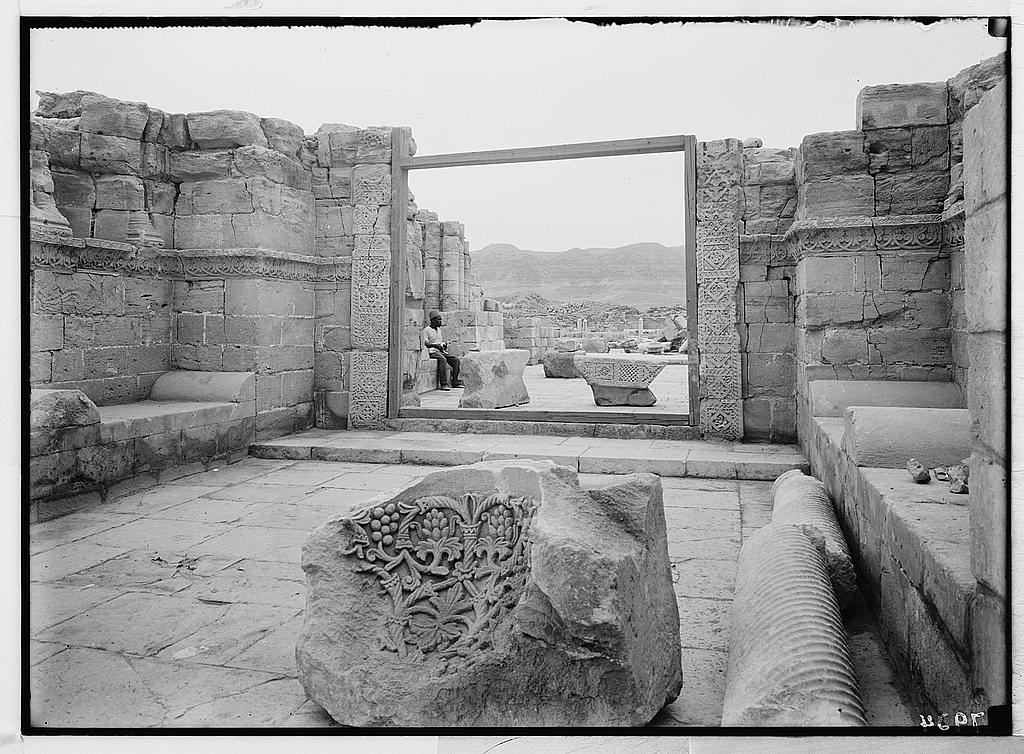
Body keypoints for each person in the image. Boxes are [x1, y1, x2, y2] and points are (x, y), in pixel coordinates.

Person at [422, 310, 463, 391]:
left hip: (441, 351)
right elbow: (426, 344)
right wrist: (436, 346)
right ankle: (443, 383)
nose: (440, 321)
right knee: (442, 359)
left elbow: (440, 341)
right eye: (439, 319)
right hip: (432, 351)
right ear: (433, 320)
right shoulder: (426, 330)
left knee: (456, 361)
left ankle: (454, 381)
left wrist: (443, 345)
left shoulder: (439, 330)